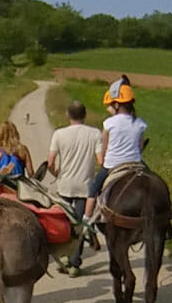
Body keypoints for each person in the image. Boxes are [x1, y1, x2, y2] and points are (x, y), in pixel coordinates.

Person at [47, 100, 102, 277]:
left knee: (63, 223)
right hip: (85, 186)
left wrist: (56, 174)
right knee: (79, 224)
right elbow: (101, 161)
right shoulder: (94, 133)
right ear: (84, 115)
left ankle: (63, 257)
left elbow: (50, 162)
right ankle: (75, 264)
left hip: (65, 185)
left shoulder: (59, 134)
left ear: (67, 115)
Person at [83, 75, 147, 220]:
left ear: (117, 105)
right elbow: (140, 147)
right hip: (135, 164)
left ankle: (86, 219)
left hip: (112, 165)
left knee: (93, 189)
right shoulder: (140, 123)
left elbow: (104, 147)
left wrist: (103, 160)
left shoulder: (109, 123)